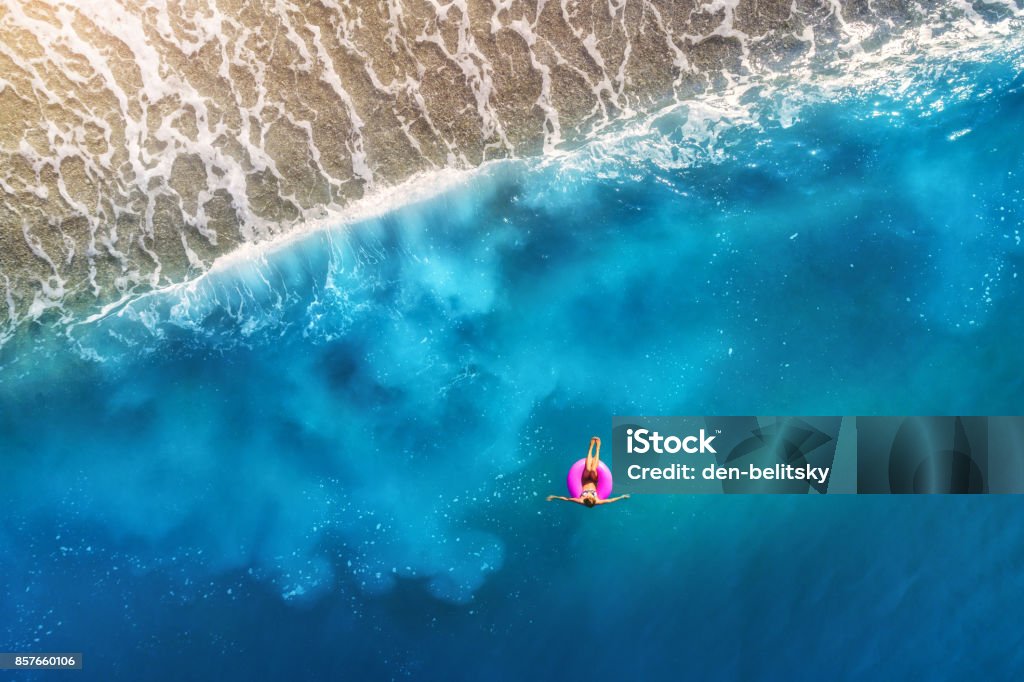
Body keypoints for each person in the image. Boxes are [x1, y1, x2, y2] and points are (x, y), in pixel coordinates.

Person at [547, 437, 630, 507]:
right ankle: (598, 448)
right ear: (593, 499)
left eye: (587, 497)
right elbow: (610, 500)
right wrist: (622, 496)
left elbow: (567, 499)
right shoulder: (597, 501)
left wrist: (554, 497)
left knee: (588, 469)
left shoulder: (581, 500)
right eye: (591, 497)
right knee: (593, 469)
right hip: (594, 480)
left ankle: (590, 447)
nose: (589, 495)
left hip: (585, 479)